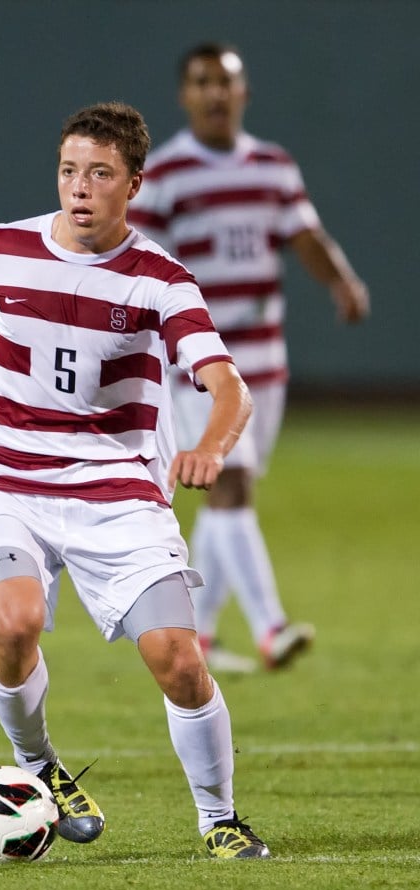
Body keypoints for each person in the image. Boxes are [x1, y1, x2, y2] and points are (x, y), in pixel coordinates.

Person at [0, 101, 270, 858]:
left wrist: (211, 445)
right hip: (7, 473)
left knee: (179, 658)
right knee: (12, 623)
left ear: (132, 185)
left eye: (100, 174)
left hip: (116, 488)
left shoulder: (160, 280)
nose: (80, 187)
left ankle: (218, 819)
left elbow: (231, 385)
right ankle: (39, 767)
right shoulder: (5, 249)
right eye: (70, 170)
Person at [128, 43, 370, 674]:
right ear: (185, 95)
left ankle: (201, 633)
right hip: (200, 364)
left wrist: (340, 281)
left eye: (225, 82)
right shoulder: (167, 172)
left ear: (244, 93)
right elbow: (138, 259)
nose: (215, 93)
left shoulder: (272, 165)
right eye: (202, 82)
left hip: (265, 360)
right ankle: (271, 628)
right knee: (229, 483)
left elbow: (303, 236)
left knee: (229, 494)